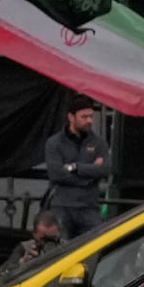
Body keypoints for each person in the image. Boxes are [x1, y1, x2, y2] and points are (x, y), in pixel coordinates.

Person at [32, 99, 110, 243]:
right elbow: (56, 174)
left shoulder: (99, 143)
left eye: (91, 116)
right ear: (71, 117)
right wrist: (89, 175)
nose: (89, 120)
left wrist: (75, 167)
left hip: (89, 207)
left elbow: (104, 170)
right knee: (60, 248)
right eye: (84, 117)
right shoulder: (54, 143)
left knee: (96, 245)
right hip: (62, 207)